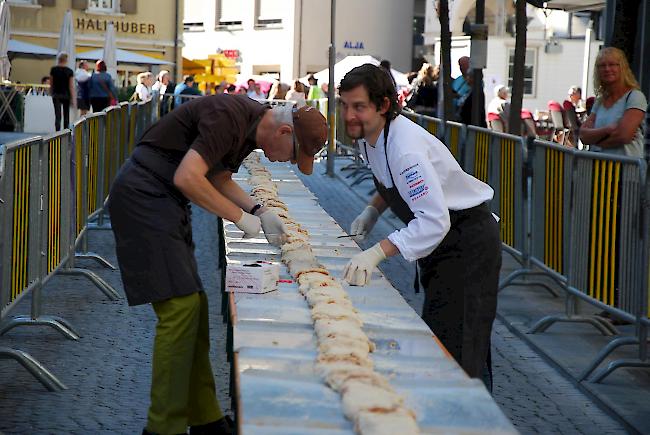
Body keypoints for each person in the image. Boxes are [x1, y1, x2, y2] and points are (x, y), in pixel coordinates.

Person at [106, 95, 328, 435]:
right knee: (180, 308)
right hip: (144, 196)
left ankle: (206, 418)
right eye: (292, 155)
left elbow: (219, 178)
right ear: (284, 131)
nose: (287, 162)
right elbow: (188, 177)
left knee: (195, 304)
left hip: (164, 200)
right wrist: (239, 217)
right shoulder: (229, 116)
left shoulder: (250, 128)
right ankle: (163, 427)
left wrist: (259, 211)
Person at [339, 64, 500, 387]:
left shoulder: (406, 149)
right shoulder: (369, 136)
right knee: (450, 343)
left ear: (384, 105)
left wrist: (377, 253)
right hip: (444, 248)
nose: (348, 116)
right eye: (344, 105)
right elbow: (390, 180)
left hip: (466, 245)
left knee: (456, 356)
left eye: (359, 107)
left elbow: (433, 220)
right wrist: (372, 211)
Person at [579, 47, 647, 158]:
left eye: (612, 64)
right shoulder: (600, 101)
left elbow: (624, 136)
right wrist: (608, 130)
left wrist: (596, 143)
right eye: (602, 65)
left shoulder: (635, 97)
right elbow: (583, 135)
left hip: (627, 169)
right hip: (601, 168)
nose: (607, 69)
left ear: (622, 67)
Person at [49, 52, 75, 131]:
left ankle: (57, 132)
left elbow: (51, 83)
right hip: (66, 95)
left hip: (56, 94)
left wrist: (51, 92)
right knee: (66, 115)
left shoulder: (53, 69)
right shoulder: (69, 71)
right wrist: (73, 97)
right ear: (66, 60)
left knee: (58, 115)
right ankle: (65, 132)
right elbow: (71, 86)